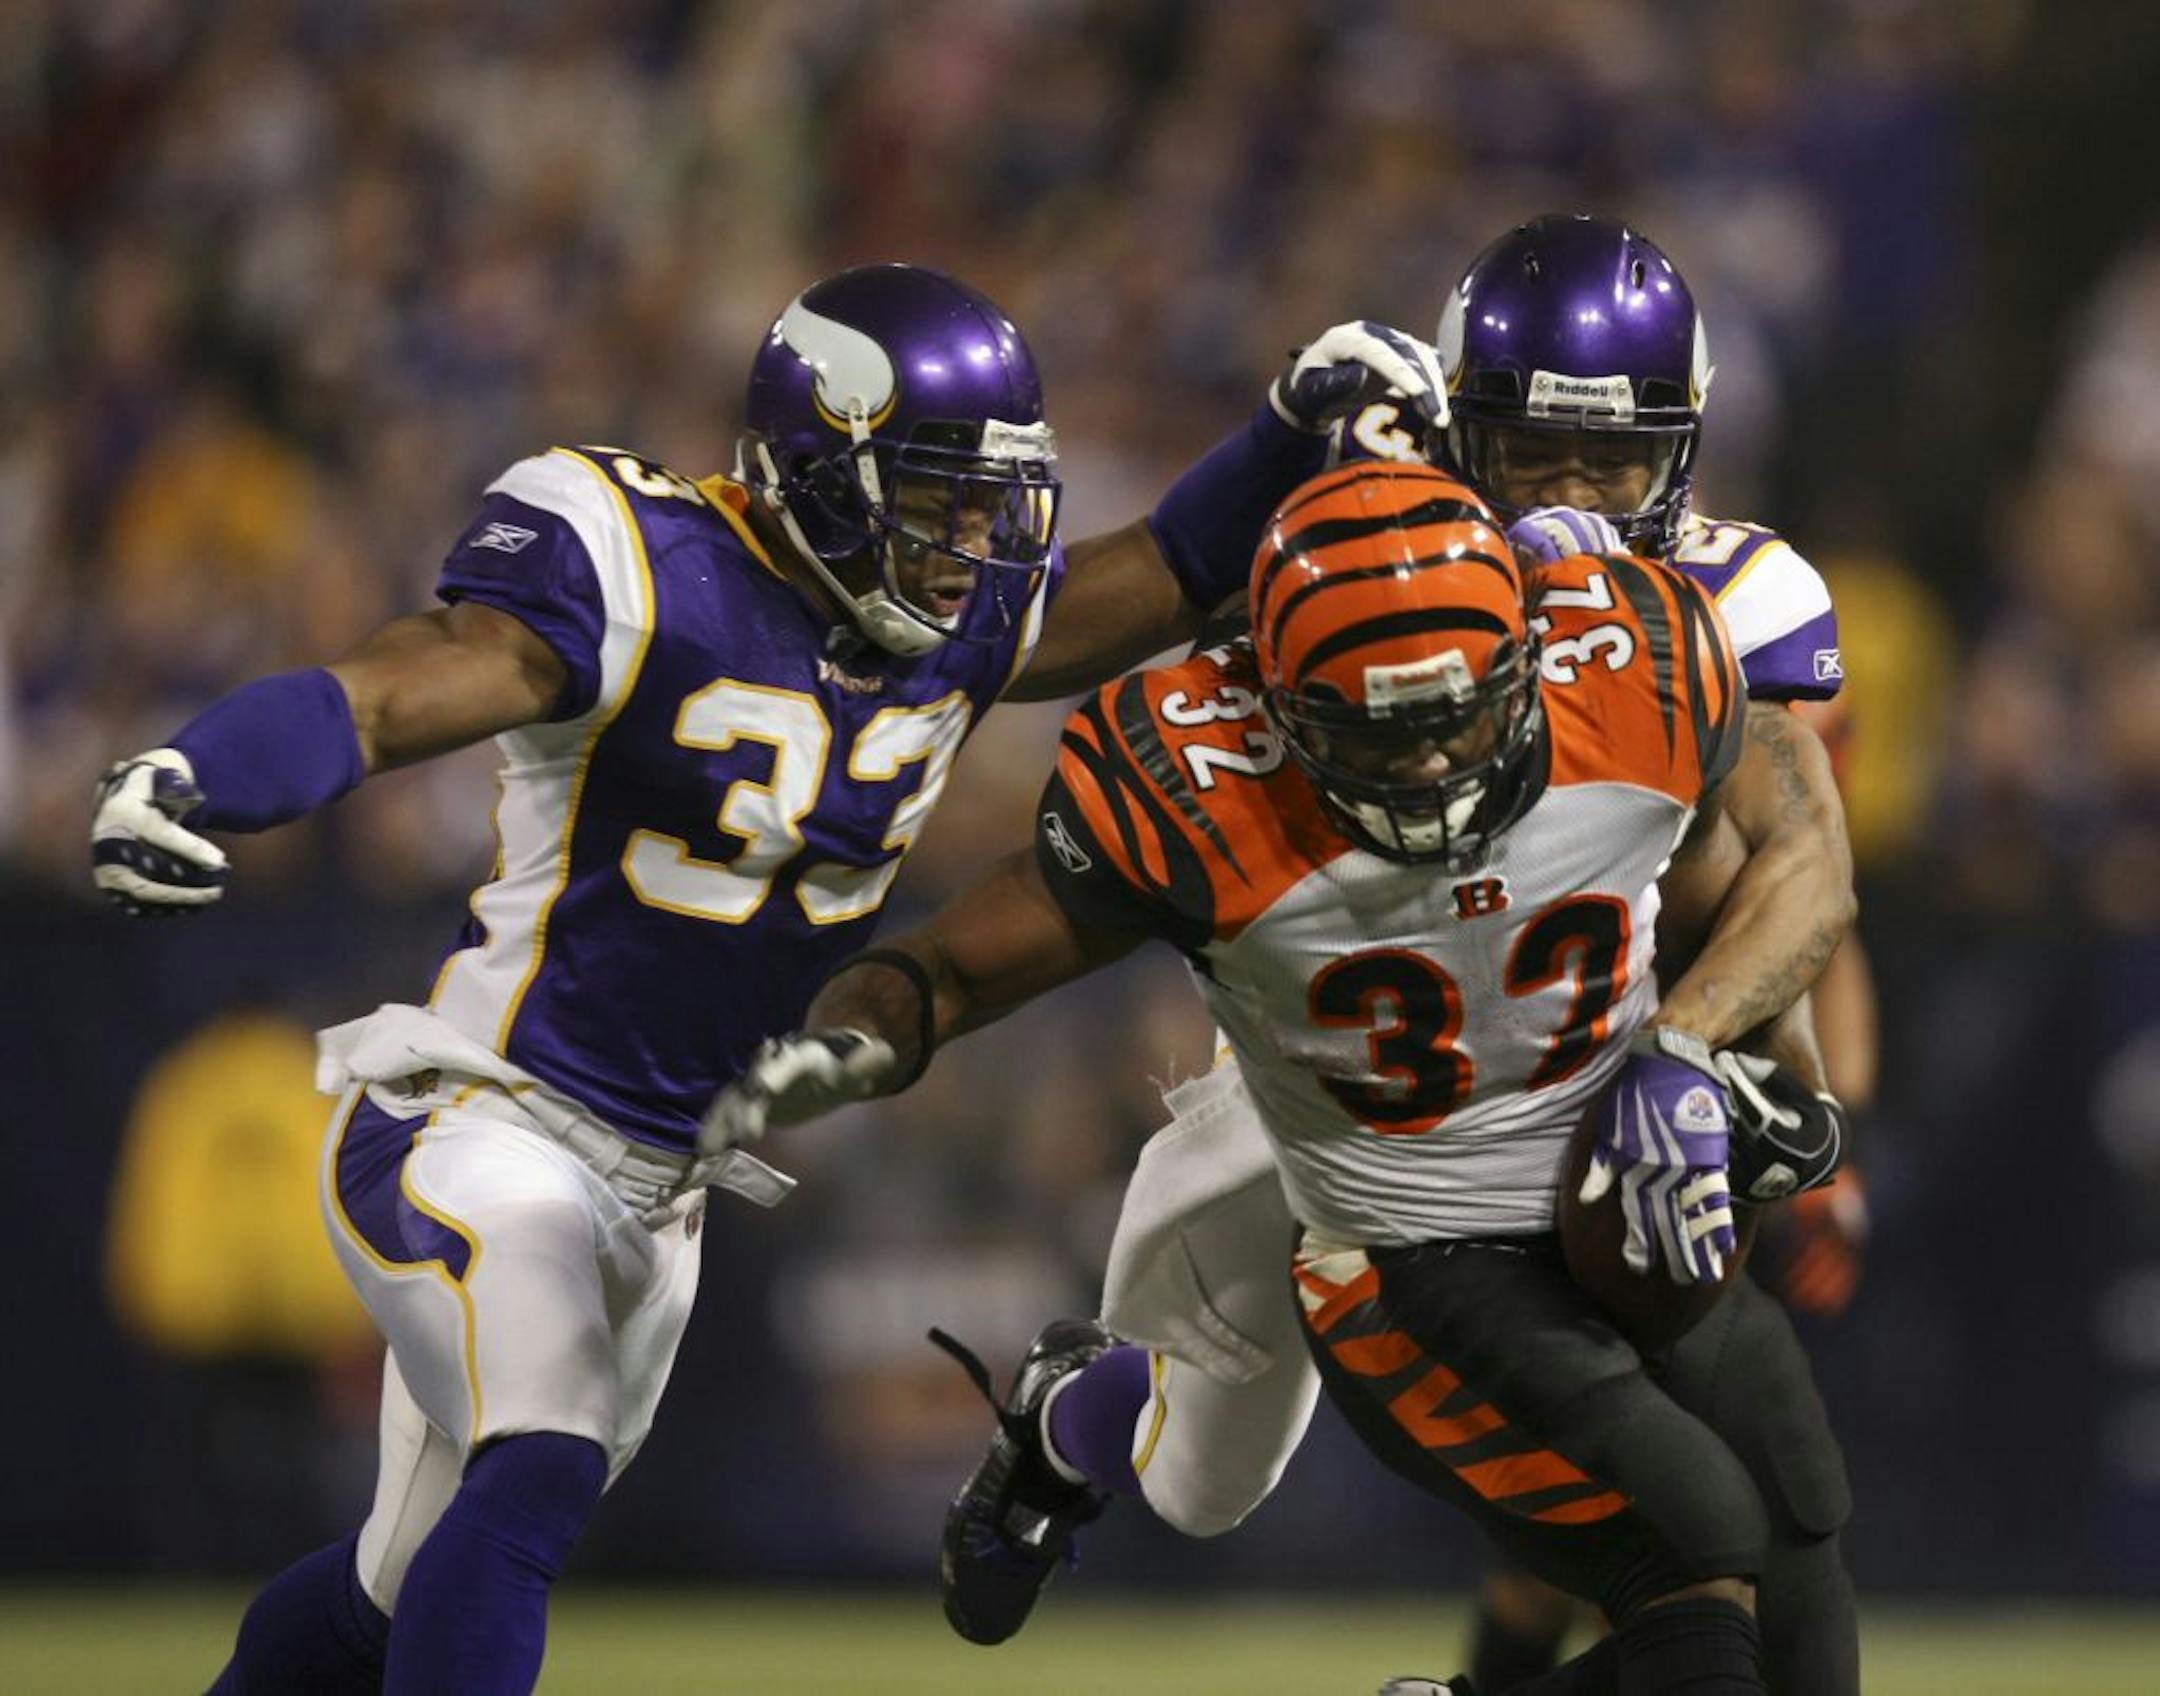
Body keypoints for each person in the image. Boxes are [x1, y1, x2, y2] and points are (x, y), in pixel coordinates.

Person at [89, 261, 1448, 1696]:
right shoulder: (636, 561)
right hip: (481, 1121)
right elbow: (401, 682)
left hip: (663, 1189)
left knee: (394, 1589)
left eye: (989, 500)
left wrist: (1290, 429)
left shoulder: (954, 624)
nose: (970, 542)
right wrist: (203, 771)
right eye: (936, 496)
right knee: (537, 1464)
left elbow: (1159, 573)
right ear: (819, 464)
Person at [845, 217, 1862, 1691]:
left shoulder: (1735, 606)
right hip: (1339, 1079)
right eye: (1533, 459)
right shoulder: (1361, 555)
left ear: (1686, 453)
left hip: (1590, 1063)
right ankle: (1082, 1414)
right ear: (1459, 436)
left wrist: (1770, 1092)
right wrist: (1255, 467)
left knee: (1699, 1493)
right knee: (1208, 1478)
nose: (1576, 501)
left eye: (1617, 464)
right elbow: (1049, 644)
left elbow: (1767, 878)